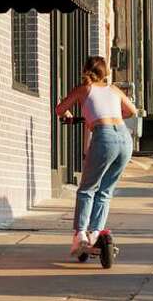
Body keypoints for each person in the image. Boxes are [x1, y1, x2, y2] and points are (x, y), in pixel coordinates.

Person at [55, 56, 136, 256]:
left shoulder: (83, 90)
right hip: (124, 138)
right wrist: (112, 116)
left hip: (104, 137)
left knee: (87, 189)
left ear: (86, 70)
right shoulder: (115, 90)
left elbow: (60, 109)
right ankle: (95, 233)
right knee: (106, 190)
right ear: (105, 72)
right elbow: (132, 111)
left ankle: (81, 235)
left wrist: (69, 116)